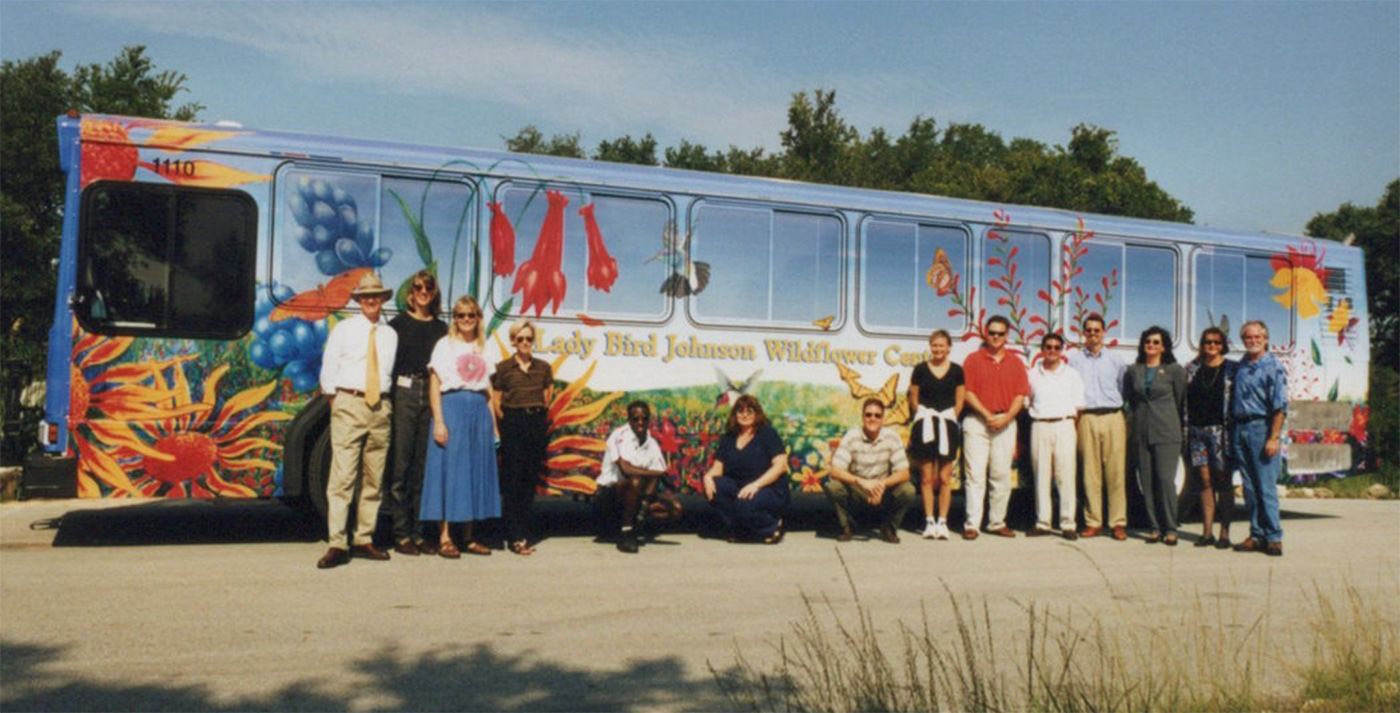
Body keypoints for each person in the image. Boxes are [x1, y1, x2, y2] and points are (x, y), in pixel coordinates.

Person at [315, 273, 399, 569]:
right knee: (343, 477)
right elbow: (330, 366)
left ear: (383, 298)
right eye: (366, 296)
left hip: (380, 408)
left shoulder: (390, 334)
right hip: (349, 403)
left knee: (374, 478)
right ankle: (337, 543)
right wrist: (336, 401)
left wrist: (383, 405)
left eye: (376, 295)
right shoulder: (345, 329)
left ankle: (364, 538)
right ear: (359, 300)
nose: (371, 300)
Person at [420, 296, 500, 558]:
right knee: (447, 471)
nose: (466, 319)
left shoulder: (484, 347)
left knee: (472, 471)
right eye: (460, 315)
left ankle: (468, 536)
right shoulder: (445, 345)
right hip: (452, 408)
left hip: (478, 411)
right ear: (454, 318)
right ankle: (444, 537)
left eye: (471, 315)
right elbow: (434, 383)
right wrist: (439, 421)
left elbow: (488, 389)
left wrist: (494, 427)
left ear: (478, 317)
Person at [384, 270, 448, 557]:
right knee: (401, 465)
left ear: (434, 293)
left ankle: (420, 533)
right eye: (418, 287)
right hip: (404, 392)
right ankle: (401, 534)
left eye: (428, 288)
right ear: (410, 293)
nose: (423, 292)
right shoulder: (396, 326)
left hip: (431, 392)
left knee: (424, 467)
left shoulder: (441, 329)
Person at [960, 316, 1030, 539]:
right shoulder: (973, 360)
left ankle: (997, 522)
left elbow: (1021, 394)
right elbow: (968, 393)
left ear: (1007, 336)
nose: (996, 337)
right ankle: (972, 524)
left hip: (1006, 422)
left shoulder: (1016, 362)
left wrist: (1007, 417)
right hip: (977, 421)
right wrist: (988, 415)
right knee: (975, 475)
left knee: (1000, 473)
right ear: (985, 334)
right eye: (992, 333)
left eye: (1000, 333)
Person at [492, 319, 554, 556]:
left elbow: (546, 396)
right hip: (513, 424)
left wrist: (535, 417)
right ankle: (515, 536)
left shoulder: (543, 367)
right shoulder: (503, 368)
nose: (525, 343)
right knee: (513, 482)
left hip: (535, 424)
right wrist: (507, 422)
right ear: (513, 341)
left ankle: (523, 531)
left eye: (529, 338)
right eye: (521, 339)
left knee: (528, 483)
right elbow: (497, 401)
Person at [1067, 314, 1129, 541]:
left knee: (1116, 473)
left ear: (1104, 332)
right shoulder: (1074, 361)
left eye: (1097, 330)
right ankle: (1093, 521)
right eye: (1089, 330)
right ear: (1083, 333)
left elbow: (1123, 387)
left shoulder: (1115, 359)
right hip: (1087, 417)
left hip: (1113, 416)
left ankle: (1118, 522)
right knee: (1089, 473)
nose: (1093, 334)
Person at [1124, 326, 1187, 546]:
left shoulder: (1174, 370)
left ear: (1164, 346)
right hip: (1141, 432)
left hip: (1167, 432)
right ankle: (1154, 527)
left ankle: (1170, 527)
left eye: (1156, 342)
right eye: (1148, 341)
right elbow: (1130, 400)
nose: (1151, 345)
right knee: (1147, 483)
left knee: (1165, 480)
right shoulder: (1134, 370)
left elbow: (1180, 401)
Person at [1231, 321, 1288, 557]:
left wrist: (1273, 437)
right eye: (1247, 337)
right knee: (1249, 488)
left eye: (1257, 337)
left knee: (1265, 488)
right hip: (1240, 429)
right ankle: (1256, 534)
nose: (1252, 340)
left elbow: (1280, 407)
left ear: (1266, 339)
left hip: (1261, 428)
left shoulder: (1274, 366)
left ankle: (1273, 537)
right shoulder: (1242, 365)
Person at [594, 400, 682, 553]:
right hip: (609, 496)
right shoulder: (619, 435)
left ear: (649, 420)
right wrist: (660, 474)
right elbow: (626, 470)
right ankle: (627, 533)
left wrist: (650, 503)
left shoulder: (652, 443)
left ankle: (637, 520)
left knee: (675, 509)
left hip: (635, 498)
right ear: (629, 420)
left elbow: (655, 476)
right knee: (635, 481)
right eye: (635, 419)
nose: (640, 422)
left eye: (645, 418)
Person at [824, 398, 915, 543]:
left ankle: (889, 528)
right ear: (862, 417)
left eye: (877, 415)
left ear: (883, 419)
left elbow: (904, 473)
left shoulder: (891, 437)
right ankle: (847, 526)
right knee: (833, 487)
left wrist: (881, 484)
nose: (872, 419)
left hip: (882, 489)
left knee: (908, 490)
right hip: (858, 488)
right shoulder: (852, 436)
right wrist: (861, 482)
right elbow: (834, 471)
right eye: (868, 415)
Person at [702, 394, 789, 543]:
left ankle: (771, 526)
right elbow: (718, 467)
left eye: (750, 411)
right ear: (735, 415)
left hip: (768, 488)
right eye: (740, 411)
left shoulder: (767, 433)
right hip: (741, 488)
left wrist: (756, 485)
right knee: (715, 486)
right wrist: (707, 478)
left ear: (757, 414)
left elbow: (781, 466)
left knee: (743, 506)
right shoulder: (729, 437)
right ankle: (739, 530)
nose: (744, 415)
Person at [1183, 326, 1238, 549]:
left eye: (1216, 342)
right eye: (1207, 342)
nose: (1212, 346)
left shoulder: (1231, 370)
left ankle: (1225, 533)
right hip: (1197, 432)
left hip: (1220, 432)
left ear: (1222, 344)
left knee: (1223, 481)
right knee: (1204, 481)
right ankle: (1207, 532)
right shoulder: (1192, 368)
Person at [907, 329, 964, 540]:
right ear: (930, 347)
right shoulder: (920, 369)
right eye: (935, 345)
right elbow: (914, 399)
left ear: (949, 347)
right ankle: (929, 521)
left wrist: (949, 417)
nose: (938, 349)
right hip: (926, 425)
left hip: (947, 425)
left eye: (942, 345)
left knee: (944, 478)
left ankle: (943, 522)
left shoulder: (957, 370)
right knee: (926, 478)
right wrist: (924, 417)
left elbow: (960, 401)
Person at [1026, 333, 1084, 539]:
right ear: (1042, 349)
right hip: (1040, 425)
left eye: (1057, 347)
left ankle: (1068, 524)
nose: (1052, 351)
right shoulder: (1032, 374)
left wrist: (1067, 425)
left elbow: (1079, 405)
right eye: (1048, 347)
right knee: (1041, 475)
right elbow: (1027, 401)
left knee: (1066, 476)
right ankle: (1043, 522)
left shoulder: (1071, 374)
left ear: (1062, 350)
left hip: (1064, 424)